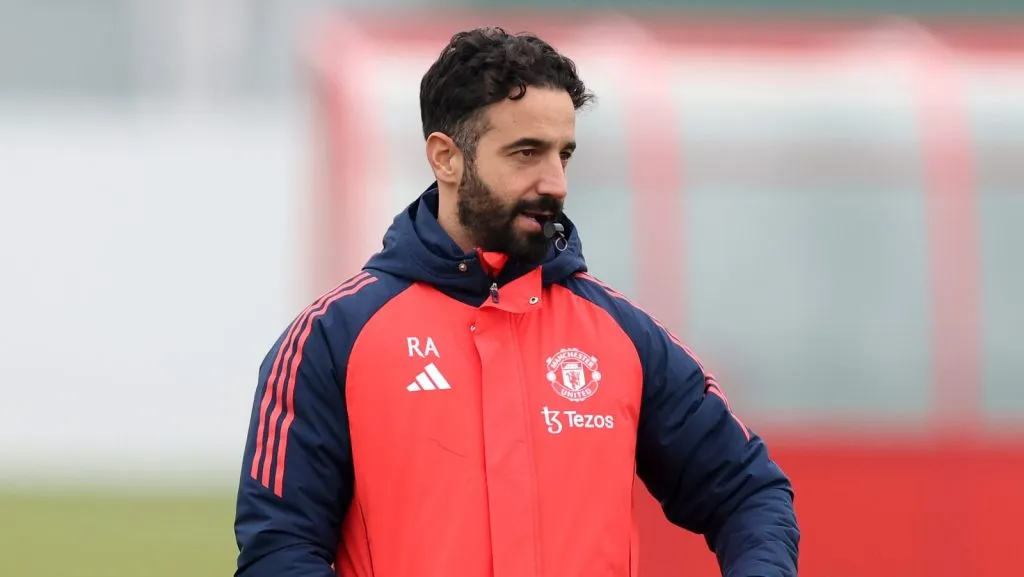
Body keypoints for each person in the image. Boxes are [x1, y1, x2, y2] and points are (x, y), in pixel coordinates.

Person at [233, 26, 799, 577]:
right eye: (527, 152)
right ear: (446, 158)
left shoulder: (625, 337)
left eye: (564, 154)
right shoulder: (334, 338)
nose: (555, 182)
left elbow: (749, 494)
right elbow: (279, 548)